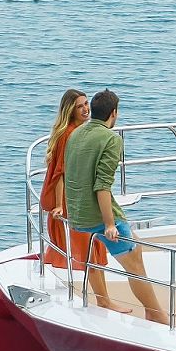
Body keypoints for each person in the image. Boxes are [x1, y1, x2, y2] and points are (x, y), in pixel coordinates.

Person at [62, 89, 175, 324]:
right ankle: (156, 315)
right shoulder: (111, 139)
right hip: (98, 217)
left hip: (78, 214)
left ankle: (153, 311)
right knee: (134, 265)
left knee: (136, 249)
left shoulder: (76, 134)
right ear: (114, 113)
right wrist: (109, 224)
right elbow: (102, 186)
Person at [38, 88, 100, 270]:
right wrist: (59, 205)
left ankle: (85, 275)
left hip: (77, 193)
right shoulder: (69, 134)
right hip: (69, 197)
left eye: (86, 104)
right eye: (79, 106)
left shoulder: (79, 130)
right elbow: (60, 173)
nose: (85, 109)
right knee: (80, 243)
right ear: (70, 110)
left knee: (83, 242)